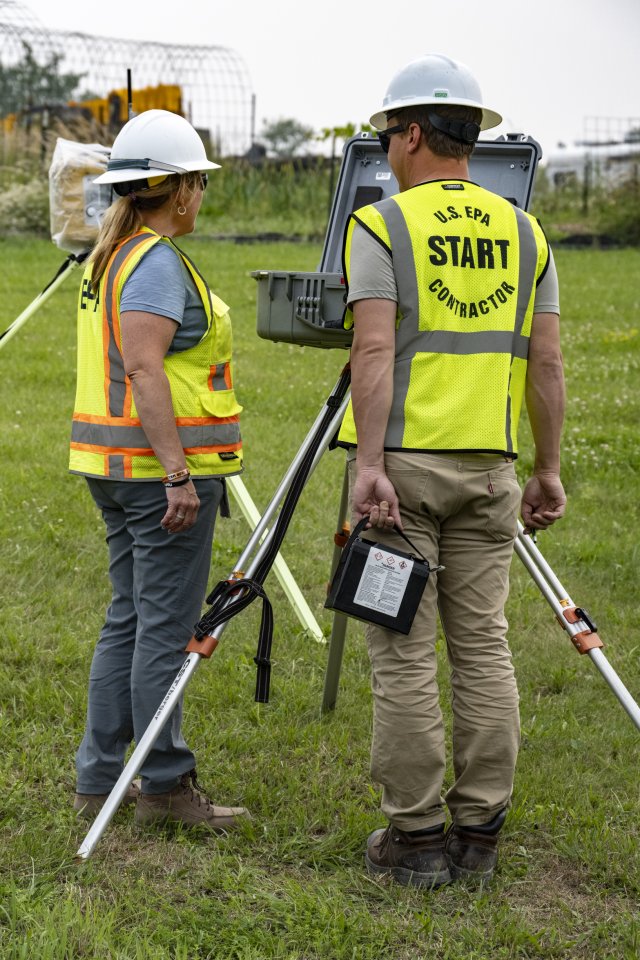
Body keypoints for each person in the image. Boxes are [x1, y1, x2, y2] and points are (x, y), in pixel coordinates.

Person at [338, 54, 566, 887]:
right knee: (484, 649)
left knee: (401, 655)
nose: (386, 152)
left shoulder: (382, 226)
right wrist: (546, 468)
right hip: (492, 471)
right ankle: (479, 835)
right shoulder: (526, 232)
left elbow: (371, 346)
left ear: (408, 134)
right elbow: (547, 363)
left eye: (385, 136)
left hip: (402, 478)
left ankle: (417, 840)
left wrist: (367, 467)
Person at [70, 109, 249, 832]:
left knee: (131, 615)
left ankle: (99, 779)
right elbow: (144, 367)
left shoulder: (112, 254)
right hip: (155, 479)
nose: (201, 195)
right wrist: (178, 476)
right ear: (175, 189)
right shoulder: (154, 262)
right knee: (164, 629)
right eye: (198, 182)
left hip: (113, 466)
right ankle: (165, 786)